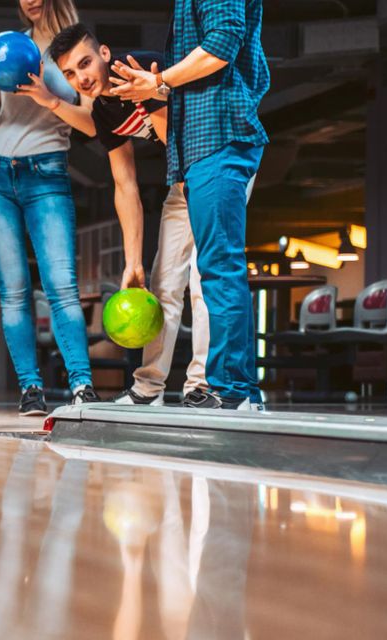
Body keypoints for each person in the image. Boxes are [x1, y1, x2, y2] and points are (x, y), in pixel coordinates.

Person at [110, 0, 269, 410]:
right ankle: (236, 390)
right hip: (203, 147)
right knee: (216, 268)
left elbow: (223, 42)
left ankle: (233, 391)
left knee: (219, 267)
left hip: (220, 136)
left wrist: (159, 82)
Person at [47, 24, 210, 407]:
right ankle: (149, 388)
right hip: (183, 181)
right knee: (162, 283)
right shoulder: (104, 111)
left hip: (215, 169)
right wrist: (132, 263)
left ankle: (203, 385)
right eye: (69, 73)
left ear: (104, 54)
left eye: (84, 63)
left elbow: (176, 140)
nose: (81, 78)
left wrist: (149, 95)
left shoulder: (140, 68)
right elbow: (125, 186)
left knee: (203, 281)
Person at [0, 0, 99, 417]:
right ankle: (30, 389)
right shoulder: (10, 45)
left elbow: (91, 124)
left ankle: (82, 385)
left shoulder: (76, 49)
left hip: (47, 174)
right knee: (15, 290)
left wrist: (49, 98)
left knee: (61, 286)